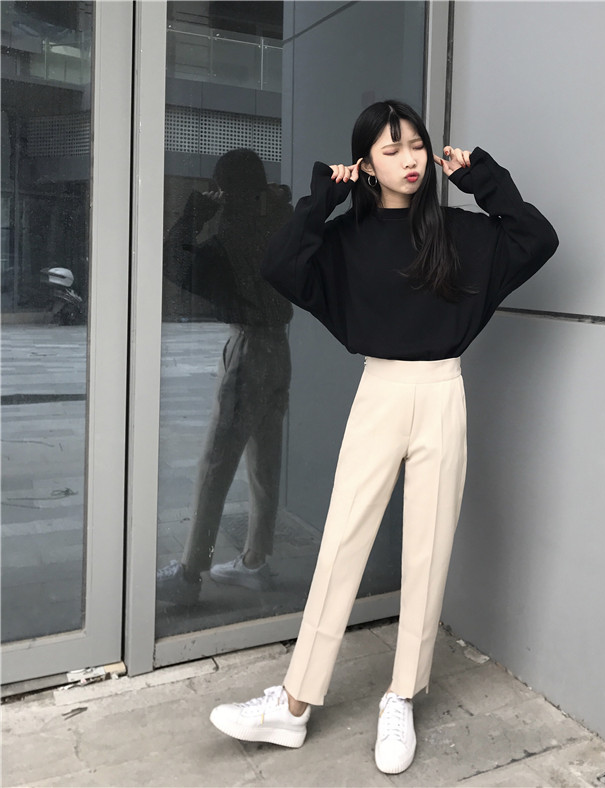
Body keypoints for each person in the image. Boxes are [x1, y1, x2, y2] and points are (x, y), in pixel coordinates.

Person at [208, 101, 558, 773]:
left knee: (428, 549)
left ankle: (401, 696)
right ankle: (293, 704)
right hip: (380, 390)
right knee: (342, 541)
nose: (411, 159)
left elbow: (537, 238)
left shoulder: (458, 231)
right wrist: (322, 200)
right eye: (392, 149)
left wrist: (483, 179)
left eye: (417, 145)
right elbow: (279, 264)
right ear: (366, 165)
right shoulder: (346, 238)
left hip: (442, 389)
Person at [156, 149, 293, 606]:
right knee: (265, 459)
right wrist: (274, 201)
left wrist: (196, 212)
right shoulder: (279, 224)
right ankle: (255, 560)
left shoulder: (229, 236)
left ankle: (190, 572)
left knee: (216, 461)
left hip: (248, 347)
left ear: (222, 189)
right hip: (280, 348)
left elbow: (175, 265)